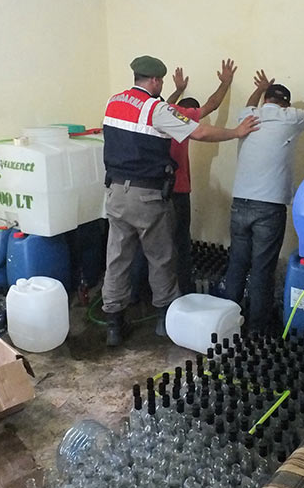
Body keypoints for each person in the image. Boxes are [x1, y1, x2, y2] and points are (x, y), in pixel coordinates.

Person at [101, 55, 258, 346]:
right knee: (161, 258)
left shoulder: (114, 101)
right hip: (147, 196)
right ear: (155, 80)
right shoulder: (156, 108)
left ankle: (113, 325)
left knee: (117, 259)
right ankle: (164, 320)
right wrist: (237, 132)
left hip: (115, 194)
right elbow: (200, 131)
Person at [224, 65, 304, 335]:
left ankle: (227, 324)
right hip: (269, 207)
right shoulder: (290, 117)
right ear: (285, 104)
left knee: (237, 265)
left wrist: (259, 88)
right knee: (262, 270)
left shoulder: (248, 115)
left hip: (239, 203)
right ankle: (257, 331)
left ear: (265, 100)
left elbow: (250, 102)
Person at [164, 59, 237, 293]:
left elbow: (165, 103)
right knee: (181, 243)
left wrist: (178, 90)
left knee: (156, 243)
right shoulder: (184, 118)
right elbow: (212, 105)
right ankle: (183, 291)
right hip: (178, 190)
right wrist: (226, 83)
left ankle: (144, 293)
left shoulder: (163, 114)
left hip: (155, 190)